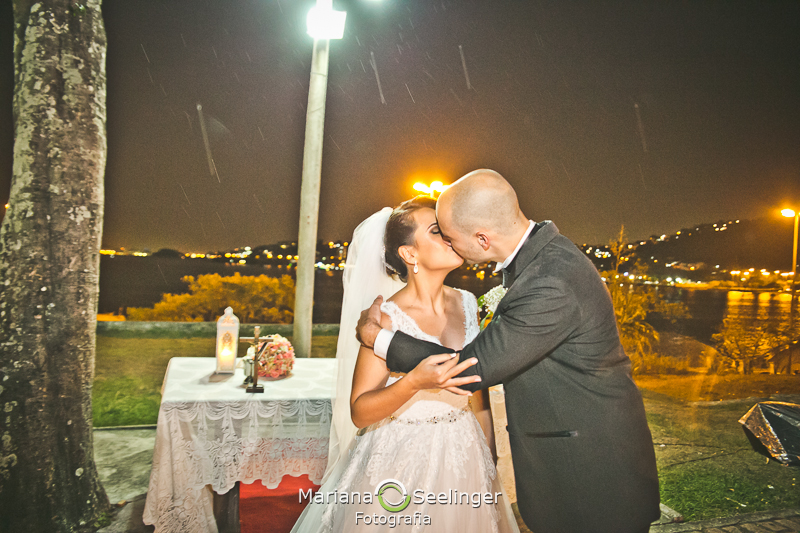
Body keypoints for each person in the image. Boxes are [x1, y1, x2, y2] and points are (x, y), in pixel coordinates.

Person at [356, 170, 661, 533]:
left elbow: (472, 368)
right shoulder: (541, 259)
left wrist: (378, 338)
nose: (453, 245)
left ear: (482, 239)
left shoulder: (548, 279)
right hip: (572, 461)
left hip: (592, 472)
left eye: (451, 236)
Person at [291, 197, 519, 533]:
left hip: (465, 452)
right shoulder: (385, 318)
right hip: (401, 458)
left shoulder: (468, 303)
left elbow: (476, 392)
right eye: (436, 232)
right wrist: (412, 383)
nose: (449, 237)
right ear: (409, 254)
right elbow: (360, 410)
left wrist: (489, 459)